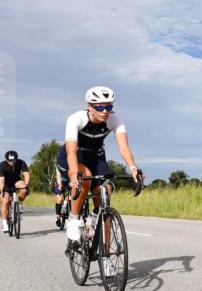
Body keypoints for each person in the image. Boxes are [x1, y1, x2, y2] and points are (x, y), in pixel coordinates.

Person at [58, 86, 143, 274]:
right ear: (90, 106)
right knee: (84, 178)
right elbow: (71, 150)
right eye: (100, 107)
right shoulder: (76, 119)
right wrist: (73, 173)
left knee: (106, 192)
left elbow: (123, 148)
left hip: (96, 156)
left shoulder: (114, 119)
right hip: (73, 157)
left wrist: (133, 169)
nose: (105, 111)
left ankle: (105, 255)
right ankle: (73, 219)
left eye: (109, 107)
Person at [0, 150, 30, 232]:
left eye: (13, 160)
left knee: (24, 189)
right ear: (6, 160)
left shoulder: (21, 162)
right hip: (6, 184)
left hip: (16, 182)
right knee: (5, 201)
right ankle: (4, 222)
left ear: (16, 159)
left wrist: (26, 184)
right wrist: (2, 191)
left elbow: (26, 174)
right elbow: (1, 180)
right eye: (9, 161)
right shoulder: (1, 165)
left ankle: (20, 204)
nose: (12, 162)